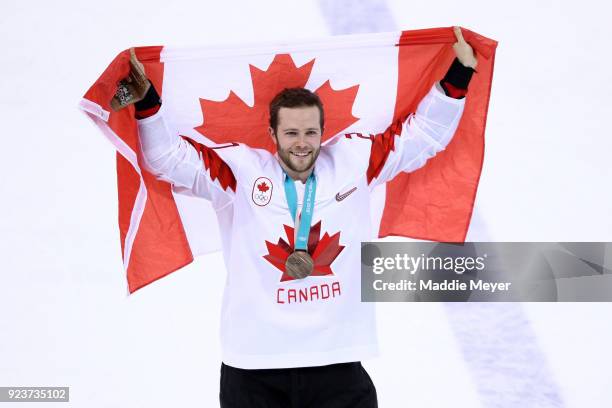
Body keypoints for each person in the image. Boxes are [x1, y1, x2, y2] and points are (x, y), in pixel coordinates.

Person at [123, 26, 477, 408]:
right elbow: (169, 159)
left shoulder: (353, 163)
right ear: (271, 134)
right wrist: (148, 105)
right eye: (290, 132)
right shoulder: (239, 174)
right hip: (253, 366)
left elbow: (423, 137)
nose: (302, 143)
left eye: (311, 132)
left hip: (337, 363)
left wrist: (460, 72)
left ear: (324, 132)